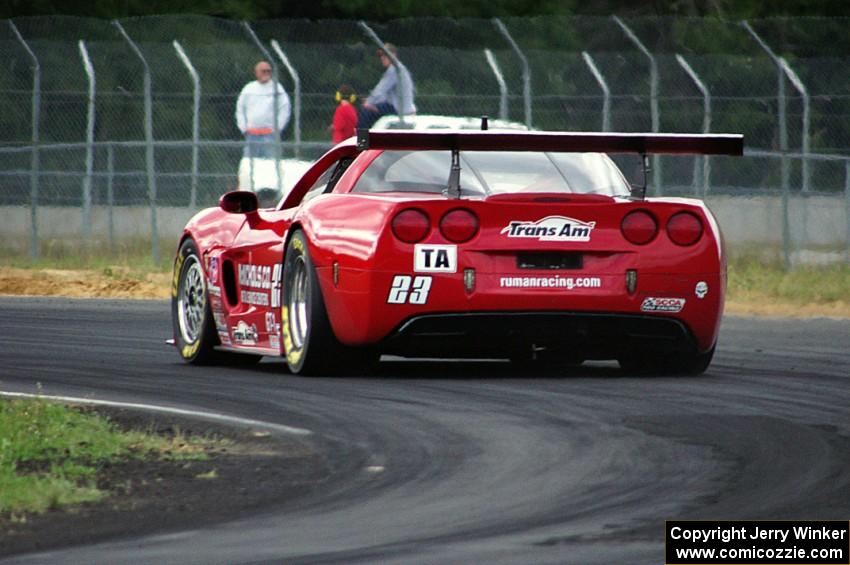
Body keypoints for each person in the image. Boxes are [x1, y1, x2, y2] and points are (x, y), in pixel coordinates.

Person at [235, 61, 291, 159]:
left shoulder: (277, 88)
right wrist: (243, 128)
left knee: (271, 165)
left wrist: (277, 128)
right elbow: (240, 109)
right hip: (251, 134)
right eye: (263, 71)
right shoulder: (249, 88)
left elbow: (285, 109)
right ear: (257, 73)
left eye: (268, 71)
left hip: (270, 135)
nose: (266, 73)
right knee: (249, 165)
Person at [357, 43, 416, 130]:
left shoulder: (394, 70)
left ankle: (362, 142)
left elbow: (380, 89)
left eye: (385, 55)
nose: (382, 58)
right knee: (374, 110)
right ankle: (373, 138)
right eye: (381, 56)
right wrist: (373, 103)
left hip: (399, 109)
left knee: (366, 112)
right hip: (402, 107)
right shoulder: (400, 68)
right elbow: (385, 96)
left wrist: (368, 102)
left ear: (393, 55)